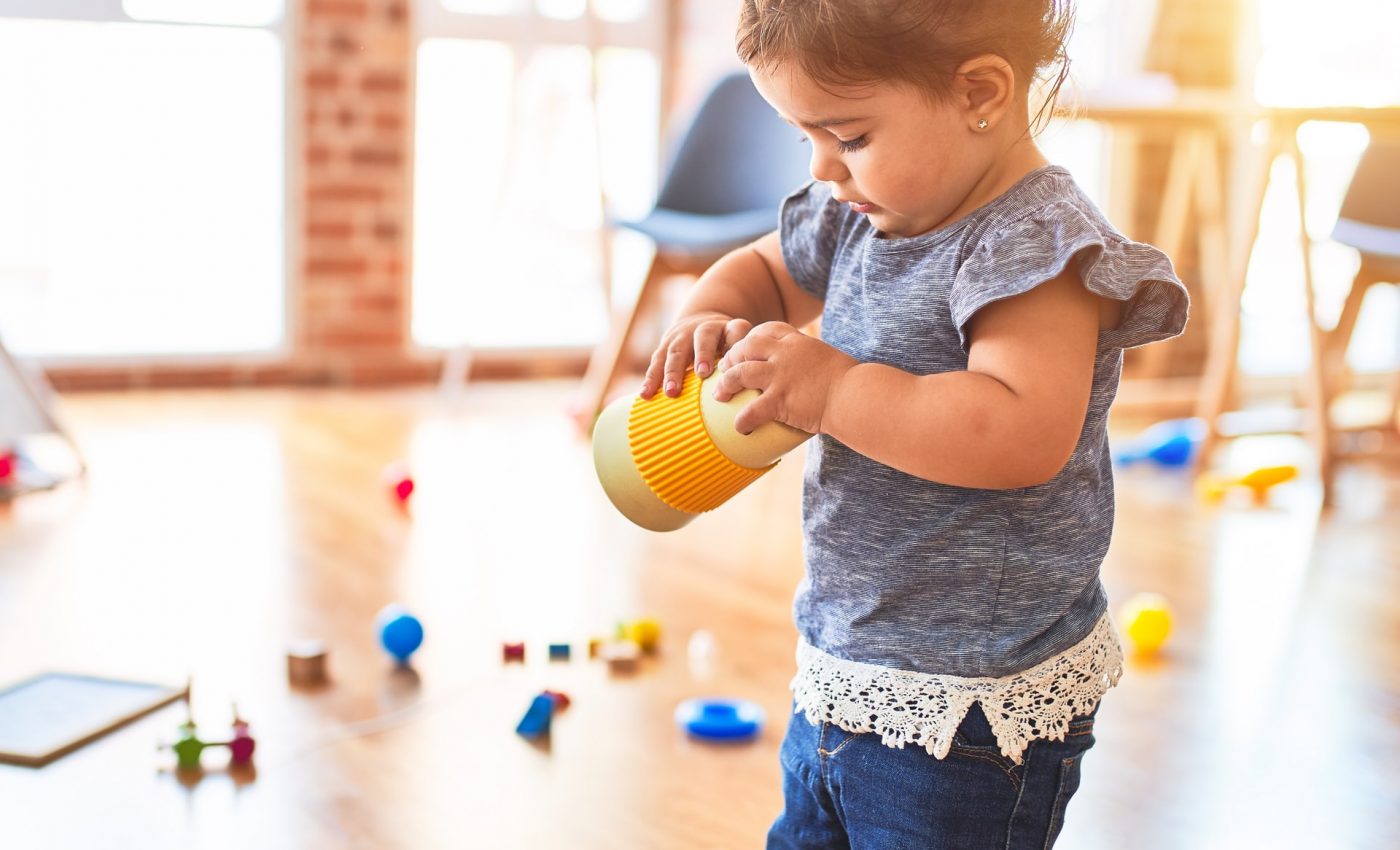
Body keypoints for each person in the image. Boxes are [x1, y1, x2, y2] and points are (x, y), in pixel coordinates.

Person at [640, 0, 1189, 846]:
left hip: (970, 705)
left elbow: (1017, 434)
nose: (823, 167)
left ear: (980, 93)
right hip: (848, 657)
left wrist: (834, 392)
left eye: (850, 136)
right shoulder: (859, 210)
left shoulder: (1032, 244)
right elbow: (762, 270)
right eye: (804, 135)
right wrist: (709, 316)